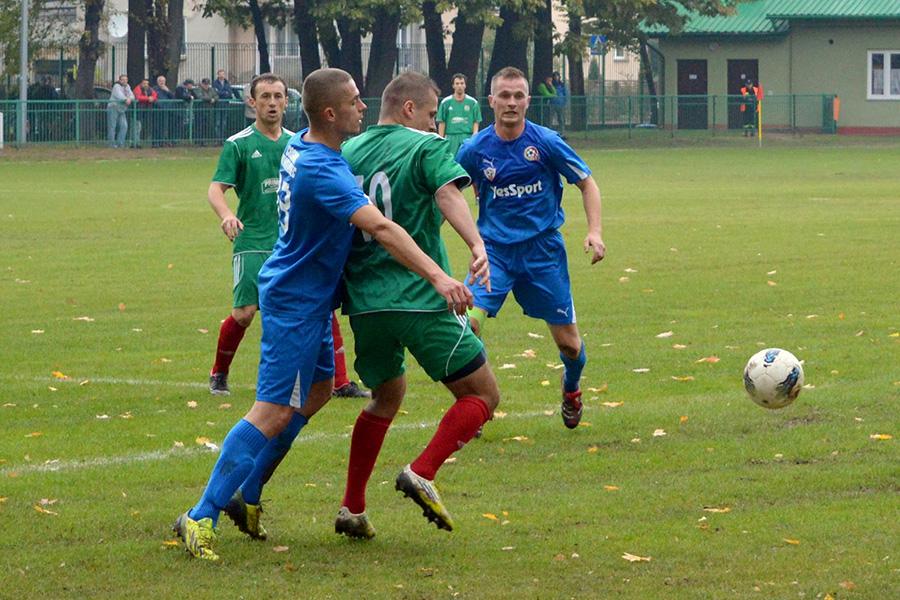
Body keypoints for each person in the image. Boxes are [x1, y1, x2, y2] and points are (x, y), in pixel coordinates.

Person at [172, 67, 474, 561]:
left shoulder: (303, 147)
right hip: (296, 301)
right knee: (270, 411)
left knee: (314, 393)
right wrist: (439, 277)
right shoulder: (323, 169)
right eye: (355, 101)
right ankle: (201, 514)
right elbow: (381, 228)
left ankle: (248, 494)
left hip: (309, 297)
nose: (363, 106)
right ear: (331, 113)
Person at [334, 71, 498, 540]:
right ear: (409, 109)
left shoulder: (347, 152)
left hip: (365, 303)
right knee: (482, 395)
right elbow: (448, 192)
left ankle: (352, 507)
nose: (434, 124)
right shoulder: (425, 147)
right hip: (421, 299)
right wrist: (476, 244)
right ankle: (423, 470)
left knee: (386, 396)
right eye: (431, 115)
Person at [456, 66, 606, 431]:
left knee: (570, 346)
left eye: (518, 95)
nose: (511, 102)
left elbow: (587, 182)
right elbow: (447, 191)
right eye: (504, 96)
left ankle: (571, 390)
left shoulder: (546, 142)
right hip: (494, 253)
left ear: (527, 100)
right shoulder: (474, 150)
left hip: (543, 253)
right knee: (464, 329)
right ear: (490, 101)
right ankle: (473, 402)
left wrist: (595, 231)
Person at [207, 75, 369, 401]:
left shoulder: (298, 143)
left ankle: (340, 381)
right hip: (252, 239)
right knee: (244, 314)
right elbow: (216, 188)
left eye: (278, 96)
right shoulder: (238, 144)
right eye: (265, 96)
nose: (272, 103)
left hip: (291, 242)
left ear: (287, 101)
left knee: (322, 305)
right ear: (251, 103)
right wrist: (227, 215)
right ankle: (219, 372)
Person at [436, 73, 481, 156]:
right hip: (450, 138)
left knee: (466, 162)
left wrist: (474, 138)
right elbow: (442, 122)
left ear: (465, 85)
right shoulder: (445, 102)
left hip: (467, 137)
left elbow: (476, 122)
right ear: (453, 86)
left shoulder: (473, 103)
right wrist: (441, 140)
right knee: (451, 162)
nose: (459, 86)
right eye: (457, 83)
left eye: (462, 83)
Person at [107, 74, 134, 148]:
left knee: (124, 126)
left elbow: (132, 95)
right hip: (113, 107)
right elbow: (119, 96)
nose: (125, 81)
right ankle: (111, 144)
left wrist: (129, 99)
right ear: (120, 80)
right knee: (112, 126)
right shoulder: (116, 86)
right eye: (123, 80)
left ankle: (120, 143)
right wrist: (126, 99)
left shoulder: (128, 87)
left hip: (122, 109)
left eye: (126, 80)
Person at [192, 77, 219, 143]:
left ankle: (206, 140)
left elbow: (216, 96)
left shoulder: (211, 89)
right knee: (199, 126)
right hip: (200, 111)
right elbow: (201, 97)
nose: (206, 85)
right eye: (205, 84)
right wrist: (210, 99)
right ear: (202, 84)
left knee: (208, 126)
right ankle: (199, 141)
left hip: (209, 110)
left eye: (207, 84)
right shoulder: (198, 89)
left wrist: (214, 99)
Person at [132, 78, 158, 148]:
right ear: (141, 83)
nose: (146, 85)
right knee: (137, 127)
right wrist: (148, 98)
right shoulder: (138, 88)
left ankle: (140, 142)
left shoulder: (150, 89)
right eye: (144, 83)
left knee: (142, 127)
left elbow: (155, 95)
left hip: (146, 110)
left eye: (147, 84)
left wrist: (153, 98)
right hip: (137, 110)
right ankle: (135, 143)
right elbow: (138, 97)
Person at [152, 75, 175, 146]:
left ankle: (162, 142)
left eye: (163, 81)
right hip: (157, 110)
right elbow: (154, 98)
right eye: (160, 81)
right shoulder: (154, 89)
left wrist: (167, 91)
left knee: (164, 126)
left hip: (166, 110)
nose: (162, 82)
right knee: (156, 126)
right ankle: (155, 142)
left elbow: (173, 97)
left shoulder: (167, 89)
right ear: (157, 82)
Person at [212, 69, 235, 138]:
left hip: (225, 104)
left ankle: (222, 138)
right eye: (220, 74)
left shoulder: (227, 83)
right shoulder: (215, 83)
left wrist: (223, 93)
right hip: (218, 104)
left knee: (224, 122)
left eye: (223, 74)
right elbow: (216, 92)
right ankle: (217, 138)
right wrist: (225, 93)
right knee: (218, 122)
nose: (222, 75)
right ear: (218, 75)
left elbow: (230, 93)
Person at [550, 71, 567, 137]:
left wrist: (564, 102)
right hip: (553, 104)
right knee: (550, 119)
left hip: (561, 104)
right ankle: (550, 133)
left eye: (557, 76)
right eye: (555, 76)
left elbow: (565, 94)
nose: (556, 77)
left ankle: (562, 133)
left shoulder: (562, 85)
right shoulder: (551, 85)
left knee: (561, 119)